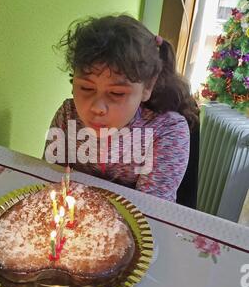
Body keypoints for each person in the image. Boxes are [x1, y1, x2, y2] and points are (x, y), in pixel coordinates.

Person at [43, 14, 199, 203]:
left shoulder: (167, 130)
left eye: (117, 93)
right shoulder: (67, 116)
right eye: (86, 88)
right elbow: (49, 182)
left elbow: (150, 211)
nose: (97, 108)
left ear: (147, 87)